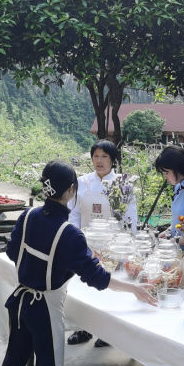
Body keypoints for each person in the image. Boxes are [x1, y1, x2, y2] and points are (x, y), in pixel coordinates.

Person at [0, 160, 156, 366]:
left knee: (16, 352)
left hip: (19, 300)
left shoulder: (28, 216)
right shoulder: (69, 233)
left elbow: (12, 249)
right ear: (71, 190)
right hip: (44, 306)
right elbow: (97, 277)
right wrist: (133, 289)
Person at [66, 140, 139, 347]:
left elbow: (130, 217)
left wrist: (124, 242)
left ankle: (107, 333)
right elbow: (74, 213)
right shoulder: (81, 183)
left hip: (113, 247)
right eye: (96, 156)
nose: (99, 161)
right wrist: (75, 238)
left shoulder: (123, 185)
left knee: (109, 288)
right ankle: (82, 329)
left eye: (104, 156)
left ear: (113, 160)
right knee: (83, 287)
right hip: (86, 244)